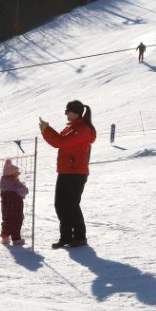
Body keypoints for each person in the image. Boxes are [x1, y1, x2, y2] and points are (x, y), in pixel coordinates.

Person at [39, 100, 97, 249]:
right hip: (65, 171)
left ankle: (79, 236)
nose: (66, 114)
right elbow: (58, 141)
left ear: (76, 113)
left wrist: (47, 130)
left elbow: (61, 143)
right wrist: (46, 130)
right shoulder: (71, 128)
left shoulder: (82, 129)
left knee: (71, 205)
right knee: (60, 205)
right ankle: (66, 237)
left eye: (68, 111)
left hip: (76, 173)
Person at [0, 159, 29, 246]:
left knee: (6, 219)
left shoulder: (3, 181)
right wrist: (23, 186)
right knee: (17, 219)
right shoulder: (15, 182)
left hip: (5, 205)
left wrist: (7, 164)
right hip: (16, 205)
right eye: (17, 173)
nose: (18, 175)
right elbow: (24, 191)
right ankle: (16, 238)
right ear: (12, 174)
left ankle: (5, 236)